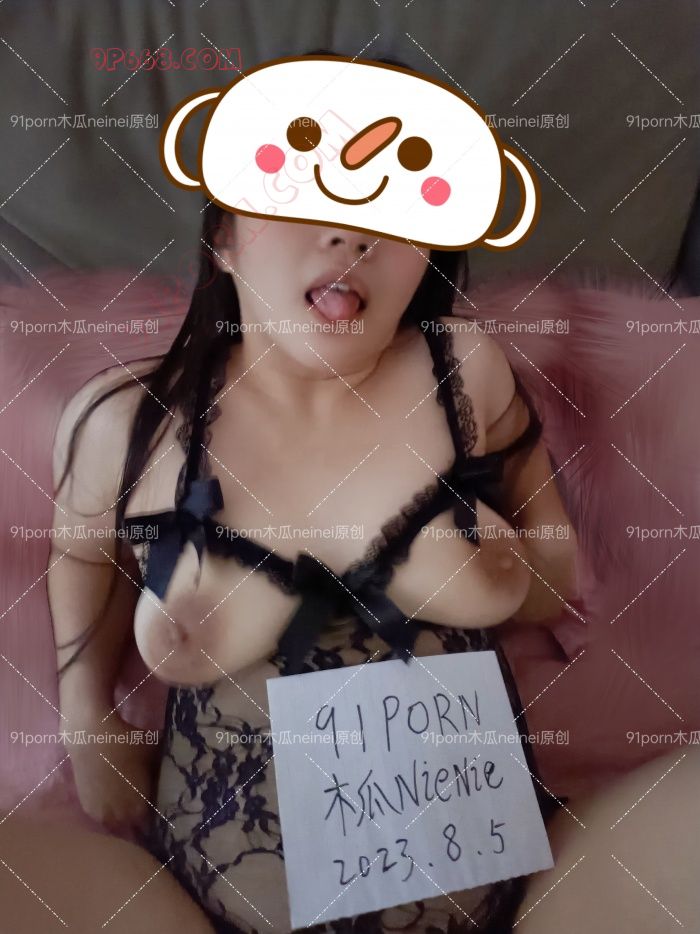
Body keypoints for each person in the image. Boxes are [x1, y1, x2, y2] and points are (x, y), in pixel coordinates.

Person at [4, 60, 698, 934]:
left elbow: (553, 559)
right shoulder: (125, 421)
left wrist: (513, 574)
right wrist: (89, 723)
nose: (348, 235)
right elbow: (82, 555)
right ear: (224, 238)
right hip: (194, 906)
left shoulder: (464, 371)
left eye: (392, 217)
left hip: (526, 888)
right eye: (301, 199)